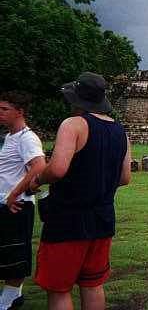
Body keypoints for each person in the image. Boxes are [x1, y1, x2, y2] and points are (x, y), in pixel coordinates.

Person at [29, 72, 132, 310]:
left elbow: (57, 169)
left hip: (68, 218)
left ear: (77, 99)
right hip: (102, 219)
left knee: (59, 289)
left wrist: (37, 180)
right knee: (93, 284)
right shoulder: (120, 131)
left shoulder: (74, 125)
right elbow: (125, 178)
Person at [0, 91, 46, 310]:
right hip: (6, 203)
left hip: (17, 205)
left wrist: (14, 193)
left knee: (14, 254)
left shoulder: (27, 138)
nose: (0, 113)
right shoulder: (10, 137)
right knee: (7, 252)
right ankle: (13, 297)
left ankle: (8, 301)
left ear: (20, 111)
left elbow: (39, 166)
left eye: (4, 109)